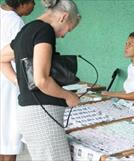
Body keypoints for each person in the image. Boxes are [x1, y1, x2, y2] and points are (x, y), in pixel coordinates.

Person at [0, 0, 81, 160]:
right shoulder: (45, 31)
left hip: (27, 111)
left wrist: (20, 82)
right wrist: (68, 96)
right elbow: (41, 80)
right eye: (67, 30)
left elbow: (2, 58)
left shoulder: (27, 29)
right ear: (63, 17)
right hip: (42, 112)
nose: (63, 35)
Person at [0, 0, 35, 161]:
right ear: (22, 3)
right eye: (32, 2)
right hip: (9, 81)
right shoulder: (15, 22)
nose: (34, 5)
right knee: (9, 133)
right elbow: (21, 56)